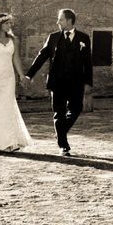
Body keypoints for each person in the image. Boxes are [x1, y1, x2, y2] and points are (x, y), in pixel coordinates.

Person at [26, 9, 92, 156]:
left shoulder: (84, 38)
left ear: (69, 21)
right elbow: (41, 57)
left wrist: (88, 82)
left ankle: (60, 132)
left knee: (76, 109)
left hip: (76, 82)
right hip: (57, 82)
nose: (58, 22)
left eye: (60, 19)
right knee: (59, 113)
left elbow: (88, 62)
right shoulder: (53, 37)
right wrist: (30, 74)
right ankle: (63, 146)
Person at [0, 13, 33, 153]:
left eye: (10, 23)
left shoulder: (14, 40)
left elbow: (16, 59)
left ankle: (10, 142)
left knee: (8, 106)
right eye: (7, 23)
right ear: (0, 24)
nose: (10, 26)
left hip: (8, 77)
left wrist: (22, 75)